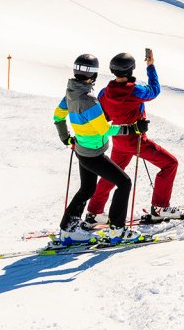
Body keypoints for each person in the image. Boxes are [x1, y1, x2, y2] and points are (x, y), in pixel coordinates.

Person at [84, 48, 182, 225]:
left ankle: (94, 212)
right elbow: (154, 90)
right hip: (137, 141)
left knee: (111, 175)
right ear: (131, 70)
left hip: (119, 142)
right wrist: (151, 67)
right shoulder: (135, 91)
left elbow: (104, 117)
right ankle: (160, 207)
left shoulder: (104, 93)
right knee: (170, 164)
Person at [52, 53, 140, 242]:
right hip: (93, 154)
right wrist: (132, 128)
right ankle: (117, 230)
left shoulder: (70, 93)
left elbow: (58, 117)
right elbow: (105, 129)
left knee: (87, 188)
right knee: (124, 183)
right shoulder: (88, 100)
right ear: (94, 75)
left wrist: (66, 139)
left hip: (82, 151)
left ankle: (68, 229)